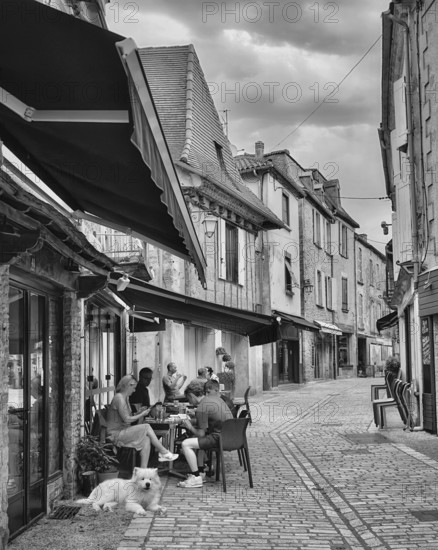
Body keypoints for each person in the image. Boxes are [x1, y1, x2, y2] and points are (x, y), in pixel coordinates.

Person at [106, 375, 178, 468]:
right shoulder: (119, 398)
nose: (134, 390)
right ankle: (163, 452)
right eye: (133, 388)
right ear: (128, 385)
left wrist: (138, 413)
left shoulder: (124, 398)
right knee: (146, 426)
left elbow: (127, 418)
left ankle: (142, 472)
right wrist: (142, 414)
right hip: (115, 434)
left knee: (146, 439)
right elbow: (127, 419)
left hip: (122, 430)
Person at [177, 379, 233, 489]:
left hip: (218, 439)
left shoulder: (201, 408)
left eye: (188, 399)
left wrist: (189, 426)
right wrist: (194, 423)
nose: (189, 402)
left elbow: (201, 434)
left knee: (186, 444)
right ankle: (201, 471)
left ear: (192, 395)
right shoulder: (217, 399)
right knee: (195, 440)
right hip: (232, 437)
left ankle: (196, 478)